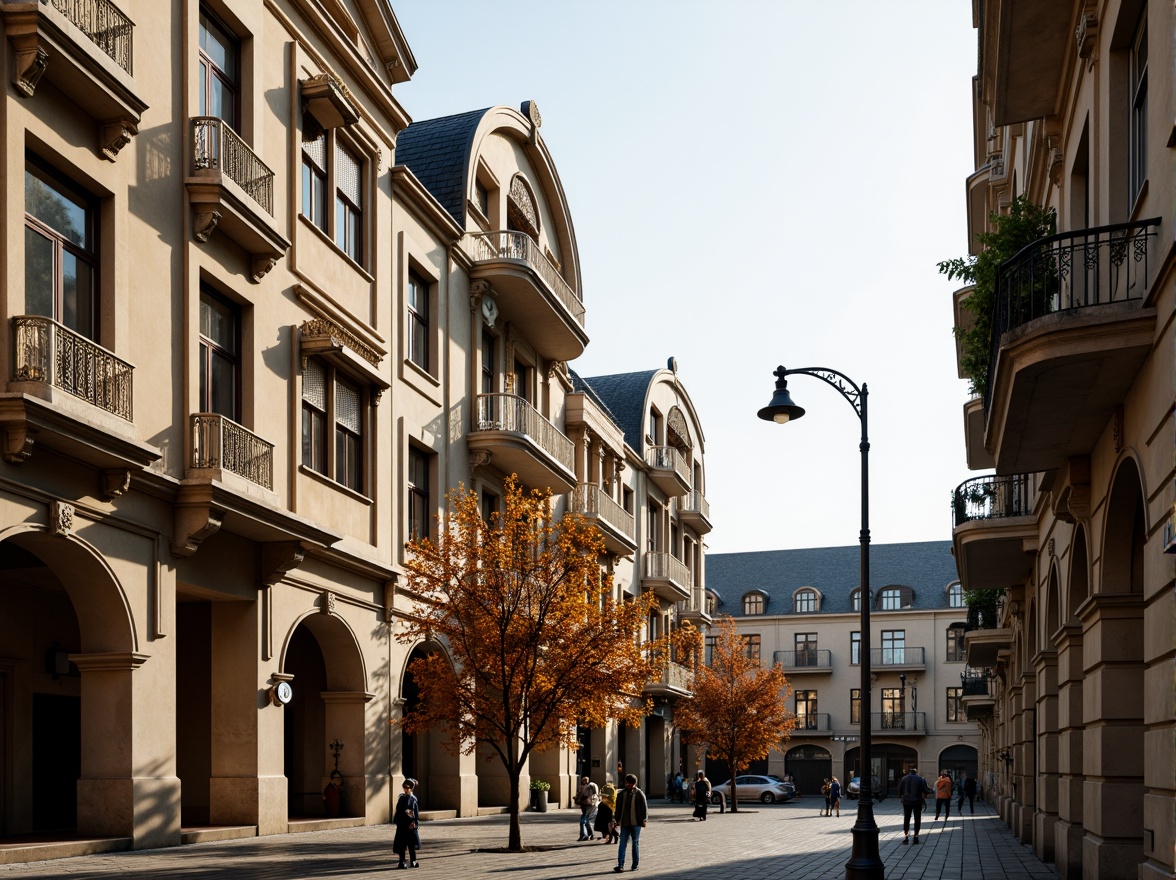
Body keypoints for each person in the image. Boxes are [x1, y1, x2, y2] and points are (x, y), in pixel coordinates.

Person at [613, 773, 647, 873]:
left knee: (635, 843)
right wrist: (616, 820)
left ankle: (635, 864)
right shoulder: (621, 794)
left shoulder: (639, 793)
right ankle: (620, 865)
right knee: (622, 843)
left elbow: (644, 808)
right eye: (628, 783)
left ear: (634, 783)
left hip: (636, 823)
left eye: (632, 784)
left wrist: (644, 820)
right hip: (624, 823)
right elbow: (618, 808)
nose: (630, 785)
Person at [897, 766, 933, 844]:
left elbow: (900, 790)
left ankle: (906, 836)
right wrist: (931, 791)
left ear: (909, 772)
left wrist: (902, 796)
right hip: (917, 801)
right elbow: (926, 789)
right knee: (917, 818)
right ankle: (916, 837)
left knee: (906, 818)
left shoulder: (904, 779)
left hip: (906, 801)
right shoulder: (920, 779)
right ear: (916, 772)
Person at [392, 778, 420, 869]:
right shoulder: (401, 798)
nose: (406, 789)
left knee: (411, 845)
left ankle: (413, 861)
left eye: (408, 787)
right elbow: (398, 810)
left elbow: (415, 813)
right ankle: (402, 862)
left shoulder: (414, 799)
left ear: (411, 788)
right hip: (402, 824)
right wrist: (399, 820)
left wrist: (415, 823)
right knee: (401, 844)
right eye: (404, 787)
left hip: (410, 825)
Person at [577, 775, 599, 841]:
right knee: (585, 821)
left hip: (589, 806)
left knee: (583, 821)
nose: (583, 782)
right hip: (587, 805)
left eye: (584, 781)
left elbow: (593, 794)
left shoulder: (590, 786)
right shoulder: (585, 787)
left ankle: (585, 835)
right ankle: (589, 834)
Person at [595, 777, 617, 844]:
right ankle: (613, 837)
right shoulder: (612, 790)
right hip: (610, 811)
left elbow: (602, 797)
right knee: (610, 826)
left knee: (607, 827)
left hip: (606, 812)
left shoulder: (606, 789)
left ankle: (611, 837)